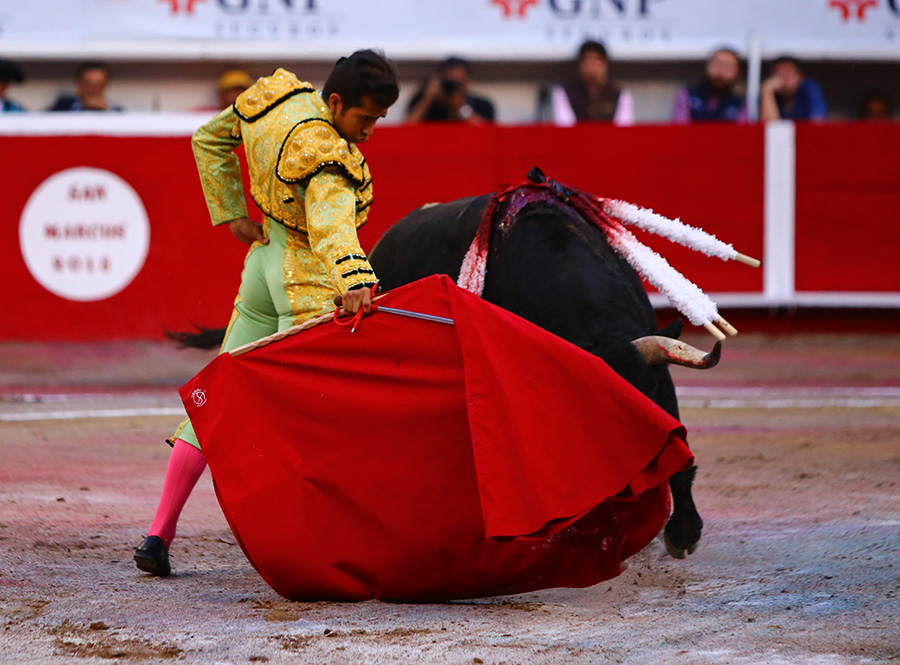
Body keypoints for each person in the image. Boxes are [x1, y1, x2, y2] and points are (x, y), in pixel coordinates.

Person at [133, 50, 400, 577]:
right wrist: (357, 281)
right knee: (310, 416)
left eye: (378, 120)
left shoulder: (277, 100)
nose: (368, 131)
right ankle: (304, 542)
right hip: (304, 281)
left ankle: (158, 534)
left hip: (260, 269)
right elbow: (330, 227)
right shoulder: (327, 152)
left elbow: (207, 140)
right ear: (338, 102)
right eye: (364, 118)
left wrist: (234, 211)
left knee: (217, 400)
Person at [547, 40, 634, 126]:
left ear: (605, 65)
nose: (592, 69)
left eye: (596, 63)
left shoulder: (620, 94)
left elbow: (624, 129)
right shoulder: (563, 92)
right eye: (588, 63)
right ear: (580, 66)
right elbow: (565, 128)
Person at [406, 56, 495, 124]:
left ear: (468, 81)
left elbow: (487, 132)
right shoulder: (423, 102)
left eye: (458, 83)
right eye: (448, 82)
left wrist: (461, 108)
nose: (452, 87)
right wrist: (427, 99)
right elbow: (407, 128)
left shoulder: (482, 105)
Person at [671, 48, 747, 124]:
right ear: (708, 65)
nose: (721, 71)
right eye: (717, 64)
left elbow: (740, 134)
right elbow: (680, 131)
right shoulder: (687, 95)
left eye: (728, 66)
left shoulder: (741, 105)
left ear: (737, 71)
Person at [759, 56, 827, 122]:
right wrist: (767, 92)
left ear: (800, 76)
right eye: (780, 75)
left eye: (788, 74)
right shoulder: (767, 93)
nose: (784, 80)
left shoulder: (810, 89)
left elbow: (818, 123)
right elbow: (770, 128)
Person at [48, 62, 123, 112]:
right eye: (88, 83)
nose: (93, 89)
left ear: (106, 85)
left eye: (99, 84)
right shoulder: (63, 106)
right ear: (79, 83)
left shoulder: (114, 109)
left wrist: (105, 111)